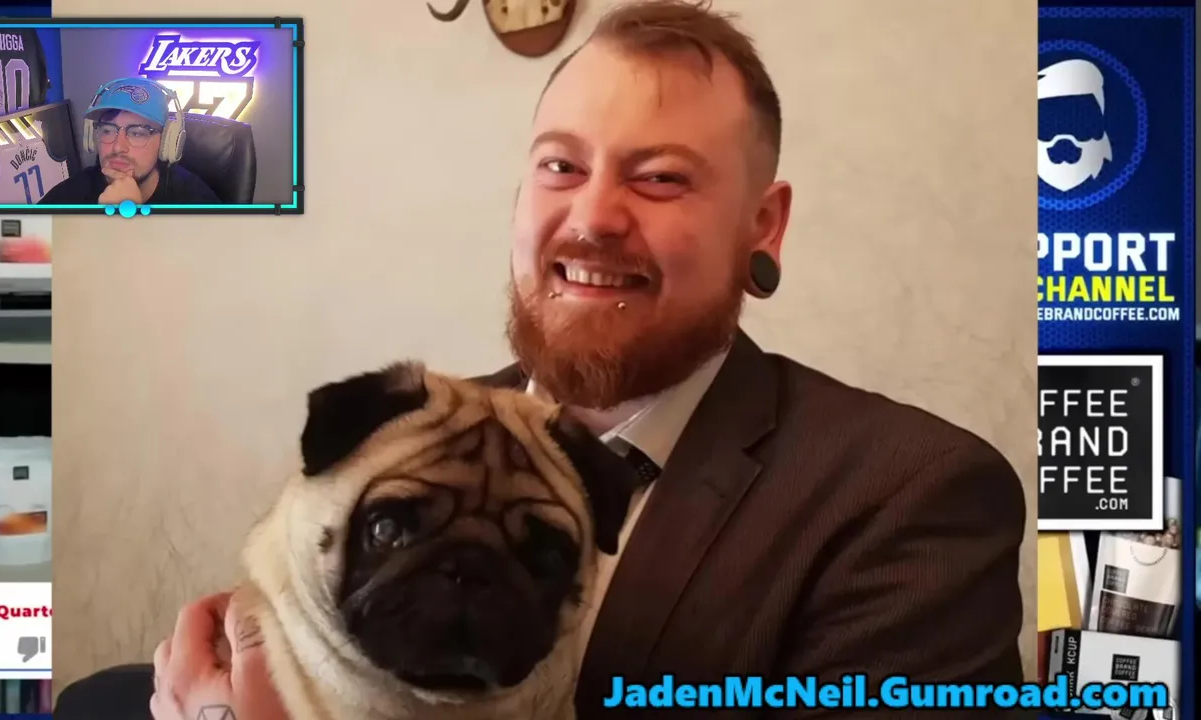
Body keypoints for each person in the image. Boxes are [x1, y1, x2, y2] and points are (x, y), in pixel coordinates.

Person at [55, 2, 1025, 718]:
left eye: (660, 178)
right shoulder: (410, 437)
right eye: (561, 165)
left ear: (761, 226)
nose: (593, 216)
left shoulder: (905, 494)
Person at [38, 77, 220, 205]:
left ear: (166, 143)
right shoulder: (70, 195)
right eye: (108, 131)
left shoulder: (194, 200)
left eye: (137, 133)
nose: (118, 147)